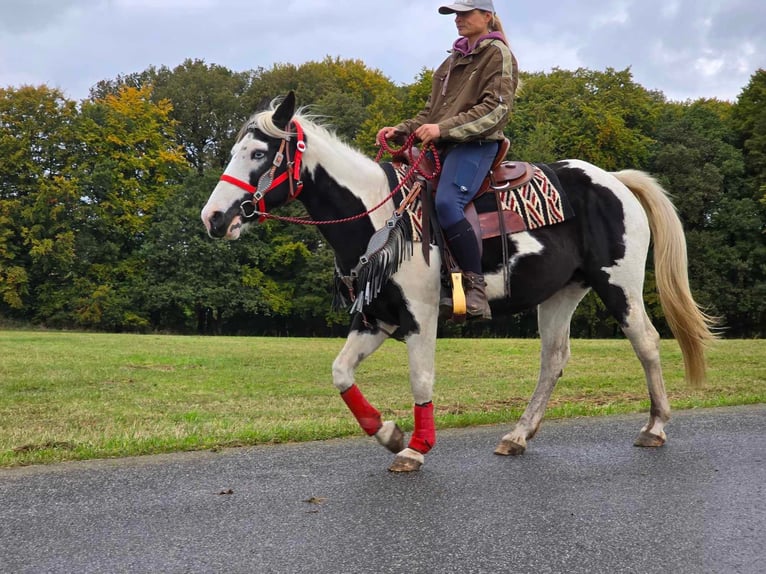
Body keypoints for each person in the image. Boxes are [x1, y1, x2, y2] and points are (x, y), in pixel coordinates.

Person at [377, 0, 518, 320]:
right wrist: (401, 131)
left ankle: (476, 287)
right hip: (444, 146)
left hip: (476, 145)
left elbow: (496, 110)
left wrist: (442, 129)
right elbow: (430, 114)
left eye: (466, 13)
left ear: (487, 16)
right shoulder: (450, 62)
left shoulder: (498, 54)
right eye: (455, 14)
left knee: (447, 204)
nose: (459, 19)